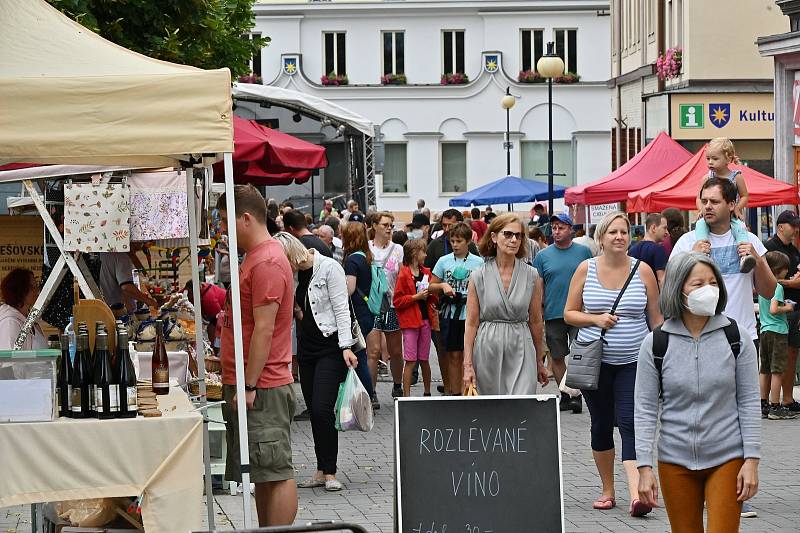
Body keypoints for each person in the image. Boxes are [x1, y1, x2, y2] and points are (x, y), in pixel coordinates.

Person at [635, 252, 760, 532]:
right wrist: (643, 466)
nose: (709, 290)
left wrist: (751, 459)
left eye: (713, 283)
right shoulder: (656, 343)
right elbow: (644, 408)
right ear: (679, 290)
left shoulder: (736, 337)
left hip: (727, 456)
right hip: (674, 458)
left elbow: (750, 400)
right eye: (698, 284)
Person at [564, 211, 662, 516]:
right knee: (601, 425)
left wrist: (662, 358)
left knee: (631, 422)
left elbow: (656, 319)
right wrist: (595, 319)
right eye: (613, 232)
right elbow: (569, 313)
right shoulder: (586, 269)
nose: (619, 237)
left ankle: (637, 493)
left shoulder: (642, 270)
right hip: (596, 363)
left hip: (635, 361)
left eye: (624, 232)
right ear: (601, 237)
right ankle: (608, 490)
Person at [217, 185, 297, 527]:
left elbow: (264, 330)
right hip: (255, 383)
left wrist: (249, 385)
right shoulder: (257, 257)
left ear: (245, 219)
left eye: (224, 221)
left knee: (275, 469)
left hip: (262, 385)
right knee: (264, 472)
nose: (223, 229)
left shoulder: (266, 260)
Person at [273, 232, 358, 492]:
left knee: (322, 409)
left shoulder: (329, 268)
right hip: (307, 348)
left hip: (330, 347)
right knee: (313, 410)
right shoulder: (296, 275)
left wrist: (346, 346)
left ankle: (330, 471)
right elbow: (302, 308)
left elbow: (342, 307)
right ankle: (321, 470)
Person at [671, 177, 776, 345]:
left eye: (714, 201)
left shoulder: (750, 240)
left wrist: (758, 260)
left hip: (742, 336)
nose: (707, 206)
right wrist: (690, 258)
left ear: (732, 205)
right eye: (704, 201)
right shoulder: (687, 242)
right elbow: (668, 290)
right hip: (698, 337)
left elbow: (769, 292)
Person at [462, 213, 548, 394]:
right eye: (508, 234)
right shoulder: (479, 275)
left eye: (519, 235)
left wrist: (539, 360)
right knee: (491, 409)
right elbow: (471, 323)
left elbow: (535, 320)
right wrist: (467, 365)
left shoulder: (532, 275)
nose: (514, 240)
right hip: (488, 347)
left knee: (522, 402)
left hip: (521, 345)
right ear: (494, 237)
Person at [532, 212, 592, 413]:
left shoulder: (583, 252)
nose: (556, 231)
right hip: (553, 312)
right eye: (554, 228)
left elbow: (592, 280)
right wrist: (537, 313)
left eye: (561, 227)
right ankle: (565, 394)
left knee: (579, 354)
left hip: (579, 312)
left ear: (571, 230)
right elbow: (539, 287)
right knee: (556, 356)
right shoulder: (542, 256)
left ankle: (576, 395)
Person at [425, 209, 479, 394]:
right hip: (450, 312)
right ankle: (454, 393)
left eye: (459, 241)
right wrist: (442, 287)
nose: (455, 245)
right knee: (453, 354)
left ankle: (471, 391)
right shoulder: (443, 260)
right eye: (452, 241)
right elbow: (431, 285)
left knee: (471, 355)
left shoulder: (478, 263)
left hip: (471, 313)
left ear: (468, 241)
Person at [695, 137, 754, 273]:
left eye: (715, 159)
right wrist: (701, 209)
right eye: (708, 158)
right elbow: (698, 198)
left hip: (732, 214)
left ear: (728, 159)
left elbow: (745, 195)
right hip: (711, 217)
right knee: (700, 225)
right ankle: (703, 252)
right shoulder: (707, 178)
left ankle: (745, 256)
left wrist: (738, 208)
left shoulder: (736, 177)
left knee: (740, 228)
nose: (710, 162)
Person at [763, 210, 800, 416]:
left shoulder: (794, 250)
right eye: (792, 225)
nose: (795, 230)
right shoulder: (769, 248)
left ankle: (786, 398)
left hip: (792, 310)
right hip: (778, 313)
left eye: (797, 226)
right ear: (780, 227)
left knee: (792, 353)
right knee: (776, 361)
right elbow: (766, 278)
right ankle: (773, 403)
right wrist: (789, 282)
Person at [394, 239, 438, 397]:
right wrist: (416, 297)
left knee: (424, 359)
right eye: (423, 252)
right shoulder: (403, 275)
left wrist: (432, 296)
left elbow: (433, 297)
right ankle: (407, 396)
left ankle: (427, 393)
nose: (426, 254)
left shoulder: (426, 272)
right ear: (414, 253)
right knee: (411, 360)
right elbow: (397, 301)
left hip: (425, 321)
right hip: (410, 323)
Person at [341, 221, 379, 407]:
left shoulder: (352, 261)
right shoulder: (366, 256)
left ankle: (365, 395)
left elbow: (349, 288)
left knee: (359, 356)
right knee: (361, 353)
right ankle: (367, 394)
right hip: (366, 313)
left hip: (356, 314)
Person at [369, 211, 405, 398]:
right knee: (373, 351)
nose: (389, 228)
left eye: (391, 225)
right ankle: (372, 391)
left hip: (392, 305)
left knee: (396, 351)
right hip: (373, 306)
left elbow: (402, 276)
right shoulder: (367, 248)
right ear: (375, 226)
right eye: (385, 225)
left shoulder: (398, 249)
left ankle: (397, 384)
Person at [758, 251, 796, 420]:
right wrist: (788, 307)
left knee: (764, 370)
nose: (786, 272)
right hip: (778, 331)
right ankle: (775, 406)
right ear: (776, 270)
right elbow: (774, 309)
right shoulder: (777, 286)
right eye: (784, 269)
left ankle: (763, 403)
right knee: (777, 371)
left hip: (764, 330)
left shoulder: (761, 286)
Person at [0, 268, 46, 350]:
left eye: (37, 286)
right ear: (21, 291)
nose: (38, 292)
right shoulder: (10, 322)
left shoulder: (29, 320)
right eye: (33, 287)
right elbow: (10, 360)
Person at [183, 279, 226, 348]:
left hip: (225, 310)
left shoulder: (209, 298)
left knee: (212, 328)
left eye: (190, 295)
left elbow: (216, 320)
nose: (189, 297)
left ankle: (215, 349)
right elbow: (180, 294)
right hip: (217, 311)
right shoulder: (192, 288)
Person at [629, 213, 669, 285]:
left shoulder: (632, 250)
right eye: (664, 228)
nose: (667, 232)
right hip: (653, 294)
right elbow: (661, 280)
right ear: (653, 228)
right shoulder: (658, 250)